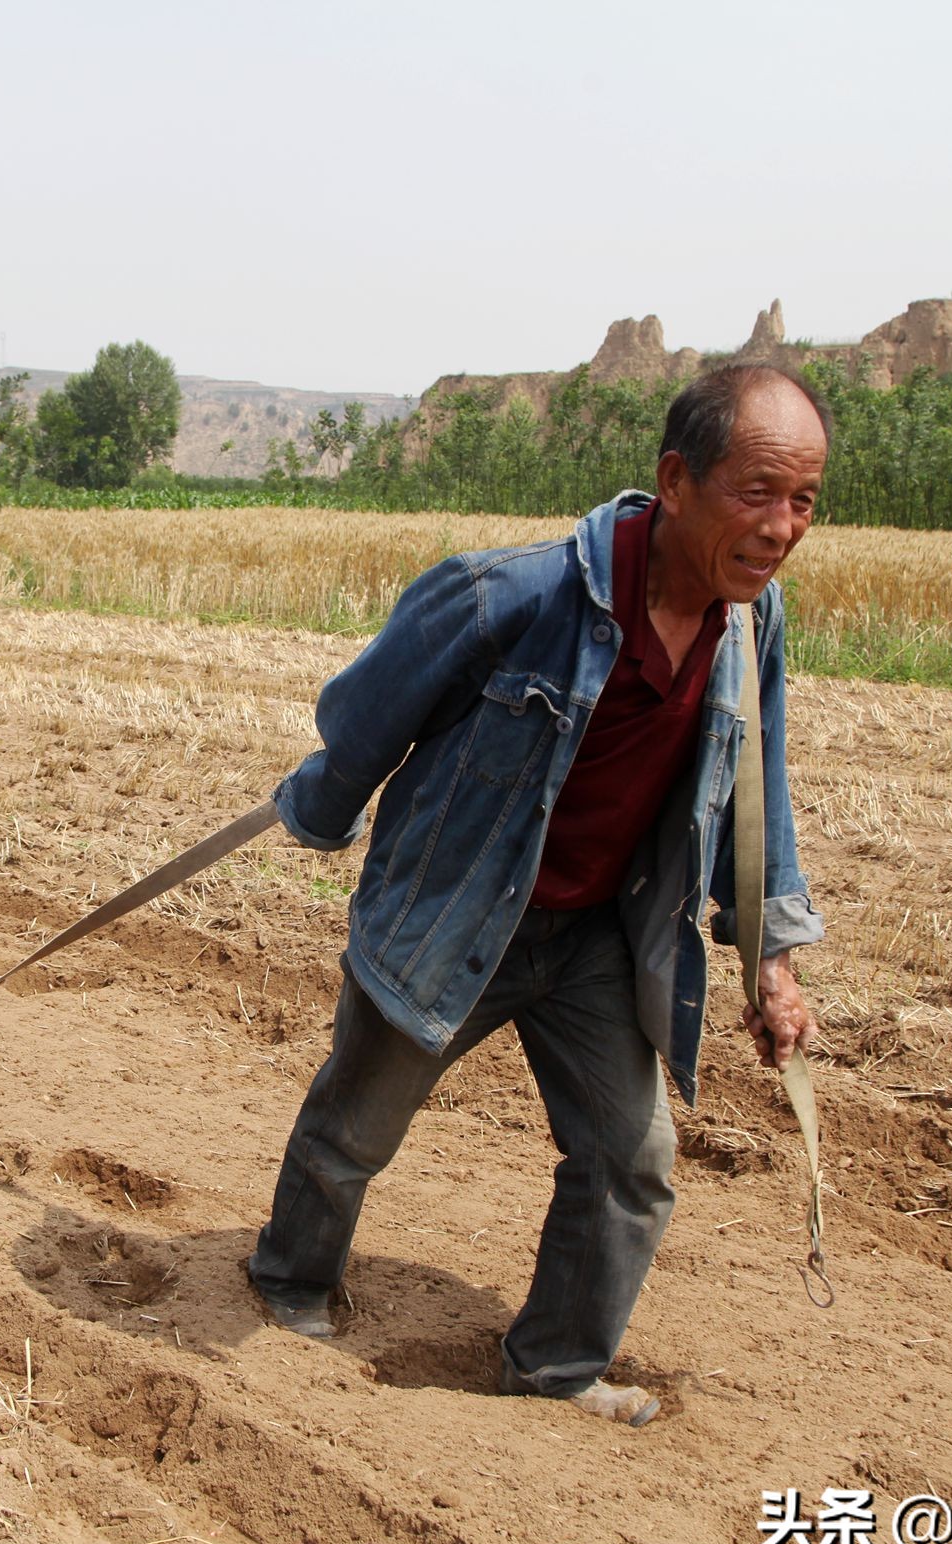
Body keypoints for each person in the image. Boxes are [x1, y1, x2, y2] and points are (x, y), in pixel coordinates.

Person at [248, 363, 829, 1427]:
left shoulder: (754, 623)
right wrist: (322, 806)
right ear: (676, 480)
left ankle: (554, 1368)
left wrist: (771, 957)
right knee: (354, 1129)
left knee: (632, 1160)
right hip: (462, 911)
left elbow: (760, 785)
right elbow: (371, 707)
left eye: (804, 500)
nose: (782, 525)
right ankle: (287, 1280)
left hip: (600, 934)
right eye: (758, 492)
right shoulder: (511, 593)